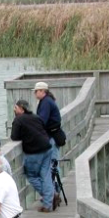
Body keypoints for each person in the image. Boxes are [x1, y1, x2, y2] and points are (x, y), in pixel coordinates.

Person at [10, 99, 54, 213]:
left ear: (21, 108)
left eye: (15, 107)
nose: (14, 110)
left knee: (32, 176)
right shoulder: (36, 117)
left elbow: (14, 137)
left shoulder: (18, 120)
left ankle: (50, 198)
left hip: (34, 151)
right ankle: (49, 201)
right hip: (47, 148)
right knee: (46, 175)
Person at [34, 81, 62, 209]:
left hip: (51, 138)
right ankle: (54, 193)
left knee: (51, 166)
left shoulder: (46, 102)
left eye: (36, 91)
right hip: (52, 137)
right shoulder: (47, 101)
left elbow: (42, 121)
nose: (35, 93)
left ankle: (53, 194)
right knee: (53, 165)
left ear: (42, 91)